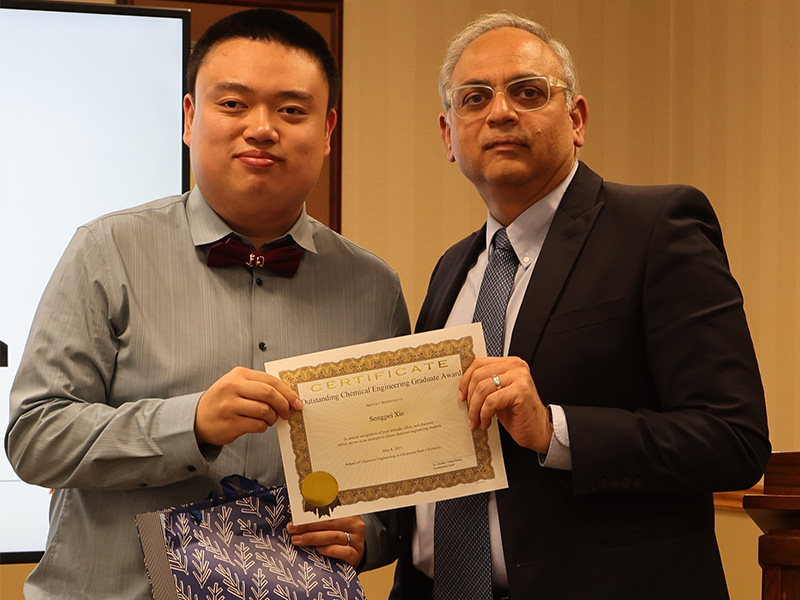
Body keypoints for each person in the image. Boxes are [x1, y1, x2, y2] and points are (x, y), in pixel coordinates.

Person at [5, 9, 409, 599]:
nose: (262, 128)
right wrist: (188, 423)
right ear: (191, 118)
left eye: (292, 110)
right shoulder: (106, 249)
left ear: (327, 132)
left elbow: (398, 486)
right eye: (234, 104)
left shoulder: (374, 287)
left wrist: (371, 535)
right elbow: (35, 437)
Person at [384, 11, 770, 600]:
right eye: (475, 98)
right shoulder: (450, 269)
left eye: (529, 92)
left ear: (577, 118)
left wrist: (554, 430)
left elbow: (733, 441)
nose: (501, 112)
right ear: (448, 134)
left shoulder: (658, 229)